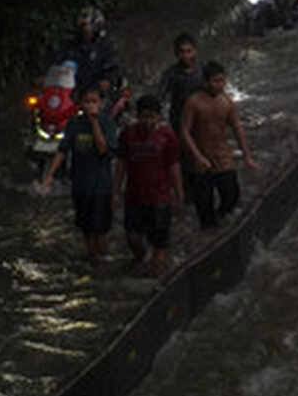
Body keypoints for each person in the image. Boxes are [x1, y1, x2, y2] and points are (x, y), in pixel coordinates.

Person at [39, 86, 119, 263]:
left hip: (101, 186)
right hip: (80, 185)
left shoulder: (108, 123)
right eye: (87, 101)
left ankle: (103, 260)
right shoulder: (74, 124)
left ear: (101, 103)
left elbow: (104, 149)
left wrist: (94, 122)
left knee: (101, 229)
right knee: (85, 228)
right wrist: (49, 175)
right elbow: (62, 150)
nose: (90, 105)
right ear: (80, 104)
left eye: (94, 101)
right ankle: (91, 259)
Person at [180, 61, 259, 229]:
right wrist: (197, 156)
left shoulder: (226, 102)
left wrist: (247, 156)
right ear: (206, 82)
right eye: (216, 81)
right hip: (201, 160)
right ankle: (208, 231)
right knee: (203, 206)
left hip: (223, 157)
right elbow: (185, 132)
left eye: (222, 81)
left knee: (231, 196)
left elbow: (237, 129)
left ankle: (221, 221)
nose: (220, 85)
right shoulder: (193, 102)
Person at [115, 96, 183, 277]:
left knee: (159, 242)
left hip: (160, 197)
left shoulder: (167, 135)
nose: (148, 121)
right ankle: (141, 259)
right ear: (137, 116)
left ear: (159, 117)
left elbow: (173, 166)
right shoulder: (127, 134)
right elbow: (121, 164)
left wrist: (179, 194)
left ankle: (157, 277)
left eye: (152, 117)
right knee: (132, 237)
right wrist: (115, 192)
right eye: (144, 116)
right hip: (134, 196)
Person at [157, 32, 205, 200]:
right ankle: (185, 193)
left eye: (189, 51)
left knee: (203, 152)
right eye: (182, 52)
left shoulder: (203, 70)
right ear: (177, 54)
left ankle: (203, 188)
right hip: (179, 120)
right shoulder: (171, 74)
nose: (186, 55)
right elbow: (160, 96)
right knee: (183, 157)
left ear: (195, 51)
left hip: (201, 119)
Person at [52, 6, 121, 100]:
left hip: (94, 91)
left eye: (87, 25)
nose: (85, 29)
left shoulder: (105, 47)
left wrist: (106, 80)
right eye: (82, 26)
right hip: (69, 89)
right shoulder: (69, 45)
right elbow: (57, 62)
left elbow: (112, 67)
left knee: (95, 107)